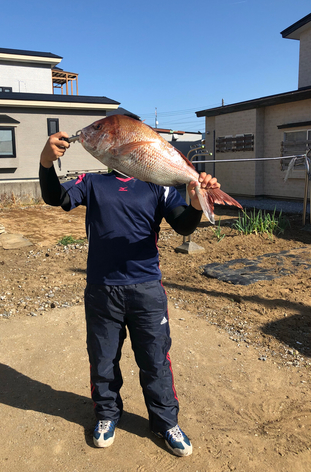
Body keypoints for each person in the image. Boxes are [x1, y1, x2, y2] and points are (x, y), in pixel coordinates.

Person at [39, 131, 220, 457]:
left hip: (147, 289)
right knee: (103, 358)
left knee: (155, 359)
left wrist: (195, 203)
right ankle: (107, 415)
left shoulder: (157, 184)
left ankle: (166, 421)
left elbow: (182, 226)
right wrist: (46, 162)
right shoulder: (91, 182)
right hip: (101, 290)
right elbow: (56, 198)